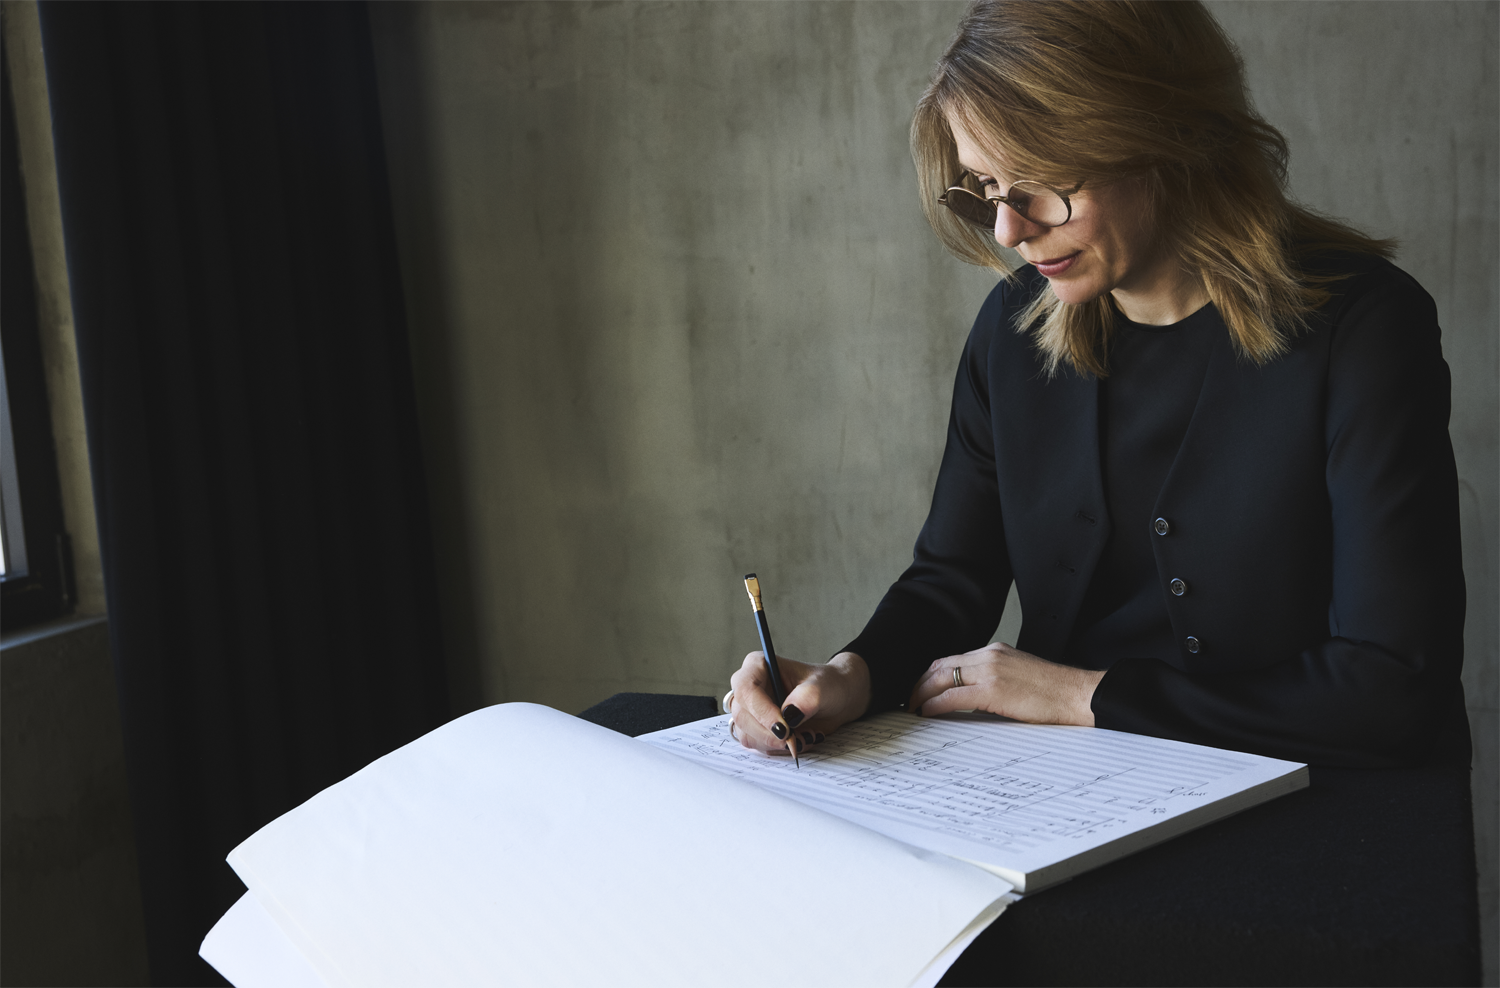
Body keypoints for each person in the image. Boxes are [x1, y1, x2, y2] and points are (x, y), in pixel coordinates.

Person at [724, 0, 1468, 769]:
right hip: (1082, 797)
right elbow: (952, 581)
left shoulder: (1366, 327)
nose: (1009, 231)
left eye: (1039, 184)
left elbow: (1392, 682)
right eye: (984, 188)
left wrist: (1080, 696)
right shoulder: (1011, 333)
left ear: (1162, 139)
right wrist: (852, 673)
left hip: (1322, 797)